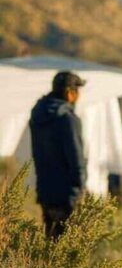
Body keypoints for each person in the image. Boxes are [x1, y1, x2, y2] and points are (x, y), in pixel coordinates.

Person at [29, 71, 88, 239]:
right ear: (69, 93)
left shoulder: (37, 116)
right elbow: (77, 161)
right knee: (69, 254)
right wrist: (79, 195)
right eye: (77, 91)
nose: (78, 96)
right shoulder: (68, 120)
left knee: (52, 249)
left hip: (45, 194)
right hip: (67, 198)